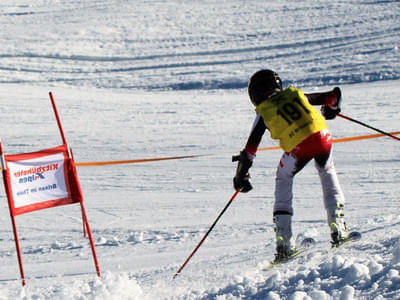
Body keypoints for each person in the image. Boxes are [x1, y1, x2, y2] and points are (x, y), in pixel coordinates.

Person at [233, 69, 349, 262]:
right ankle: (338, 227)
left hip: (298, 147)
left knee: (283, 177)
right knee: (327, 170)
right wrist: (332, 110)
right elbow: (333, 96)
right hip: (322, 137)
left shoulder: (264, 111)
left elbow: (249, 153)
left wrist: (240, 177)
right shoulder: (296, 94)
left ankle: (284, 243)